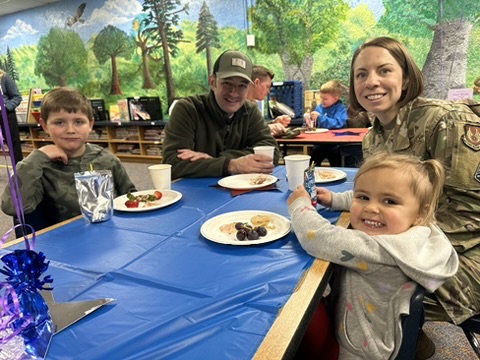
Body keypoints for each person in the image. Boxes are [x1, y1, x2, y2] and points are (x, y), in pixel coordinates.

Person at [349, 35, 480, 354]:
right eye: (361, 74)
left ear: (406, 77)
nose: (371, 82)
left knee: (383, 289)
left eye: (384, 70)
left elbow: (472, 211)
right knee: (347, 274)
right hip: (412, 246)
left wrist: (398, 245)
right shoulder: (373, 139)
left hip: (467, 250)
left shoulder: (446, 120)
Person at [288, 152, 459, 360]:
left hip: (358, 350)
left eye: (389, 201)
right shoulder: (422, 228)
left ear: (420, 213)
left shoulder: (379, 251)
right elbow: (364, 197)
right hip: (369, 329)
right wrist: (334, 199)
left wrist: (299, 205)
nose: (371, 207)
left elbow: (316, 237)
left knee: (294, 310)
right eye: (364, 197)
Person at [1, 87, 136, 228]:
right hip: (65, 243)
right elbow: (12, 207)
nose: (70, 130)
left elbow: (131, 198)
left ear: (90, 124)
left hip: (113, 235)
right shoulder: (39, 168)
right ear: (45, 125)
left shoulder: (107, 159)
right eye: (59, 122)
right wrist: (37, 158)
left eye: (78, 122)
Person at [162, 50, 281, 179]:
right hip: (196, 194)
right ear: (213, 82)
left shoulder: (250, 111)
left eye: (242, 85)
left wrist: (218, 160)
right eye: (227, 83)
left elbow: (271, 153)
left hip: (238, 194)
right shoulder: (188, 109)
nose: (234, 93)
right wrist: (231, 165)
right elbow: (172, 164)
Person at [308, 80, 348, 166]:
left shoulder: (341, 109)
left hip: (335, 144)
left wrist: (320, 117)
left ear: (335, 98)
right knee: (312, 164)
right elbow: (314, 124)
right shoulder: (320, 108)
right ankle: (309, 177)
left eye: (325, 99)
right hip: (320, 143)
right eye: (321, 98)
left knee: (336, 166)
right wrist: (309, 118)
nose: (322, 101)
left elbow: (337, 123)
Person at [246, 65, 291, 137]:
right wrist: (268, 128)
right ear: (256, 82)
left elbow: (253, 126)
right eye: (267, 86)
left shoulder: (252, 105)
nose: (268, 92)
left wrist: (273, 123)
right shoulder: (236, 105)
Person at [0, 69, 24, 164]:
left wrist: (6, 107)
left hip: (6, 115)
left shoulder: (4, 78)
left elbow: (17, 97)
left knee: (13, 144)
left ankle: (19, 170)